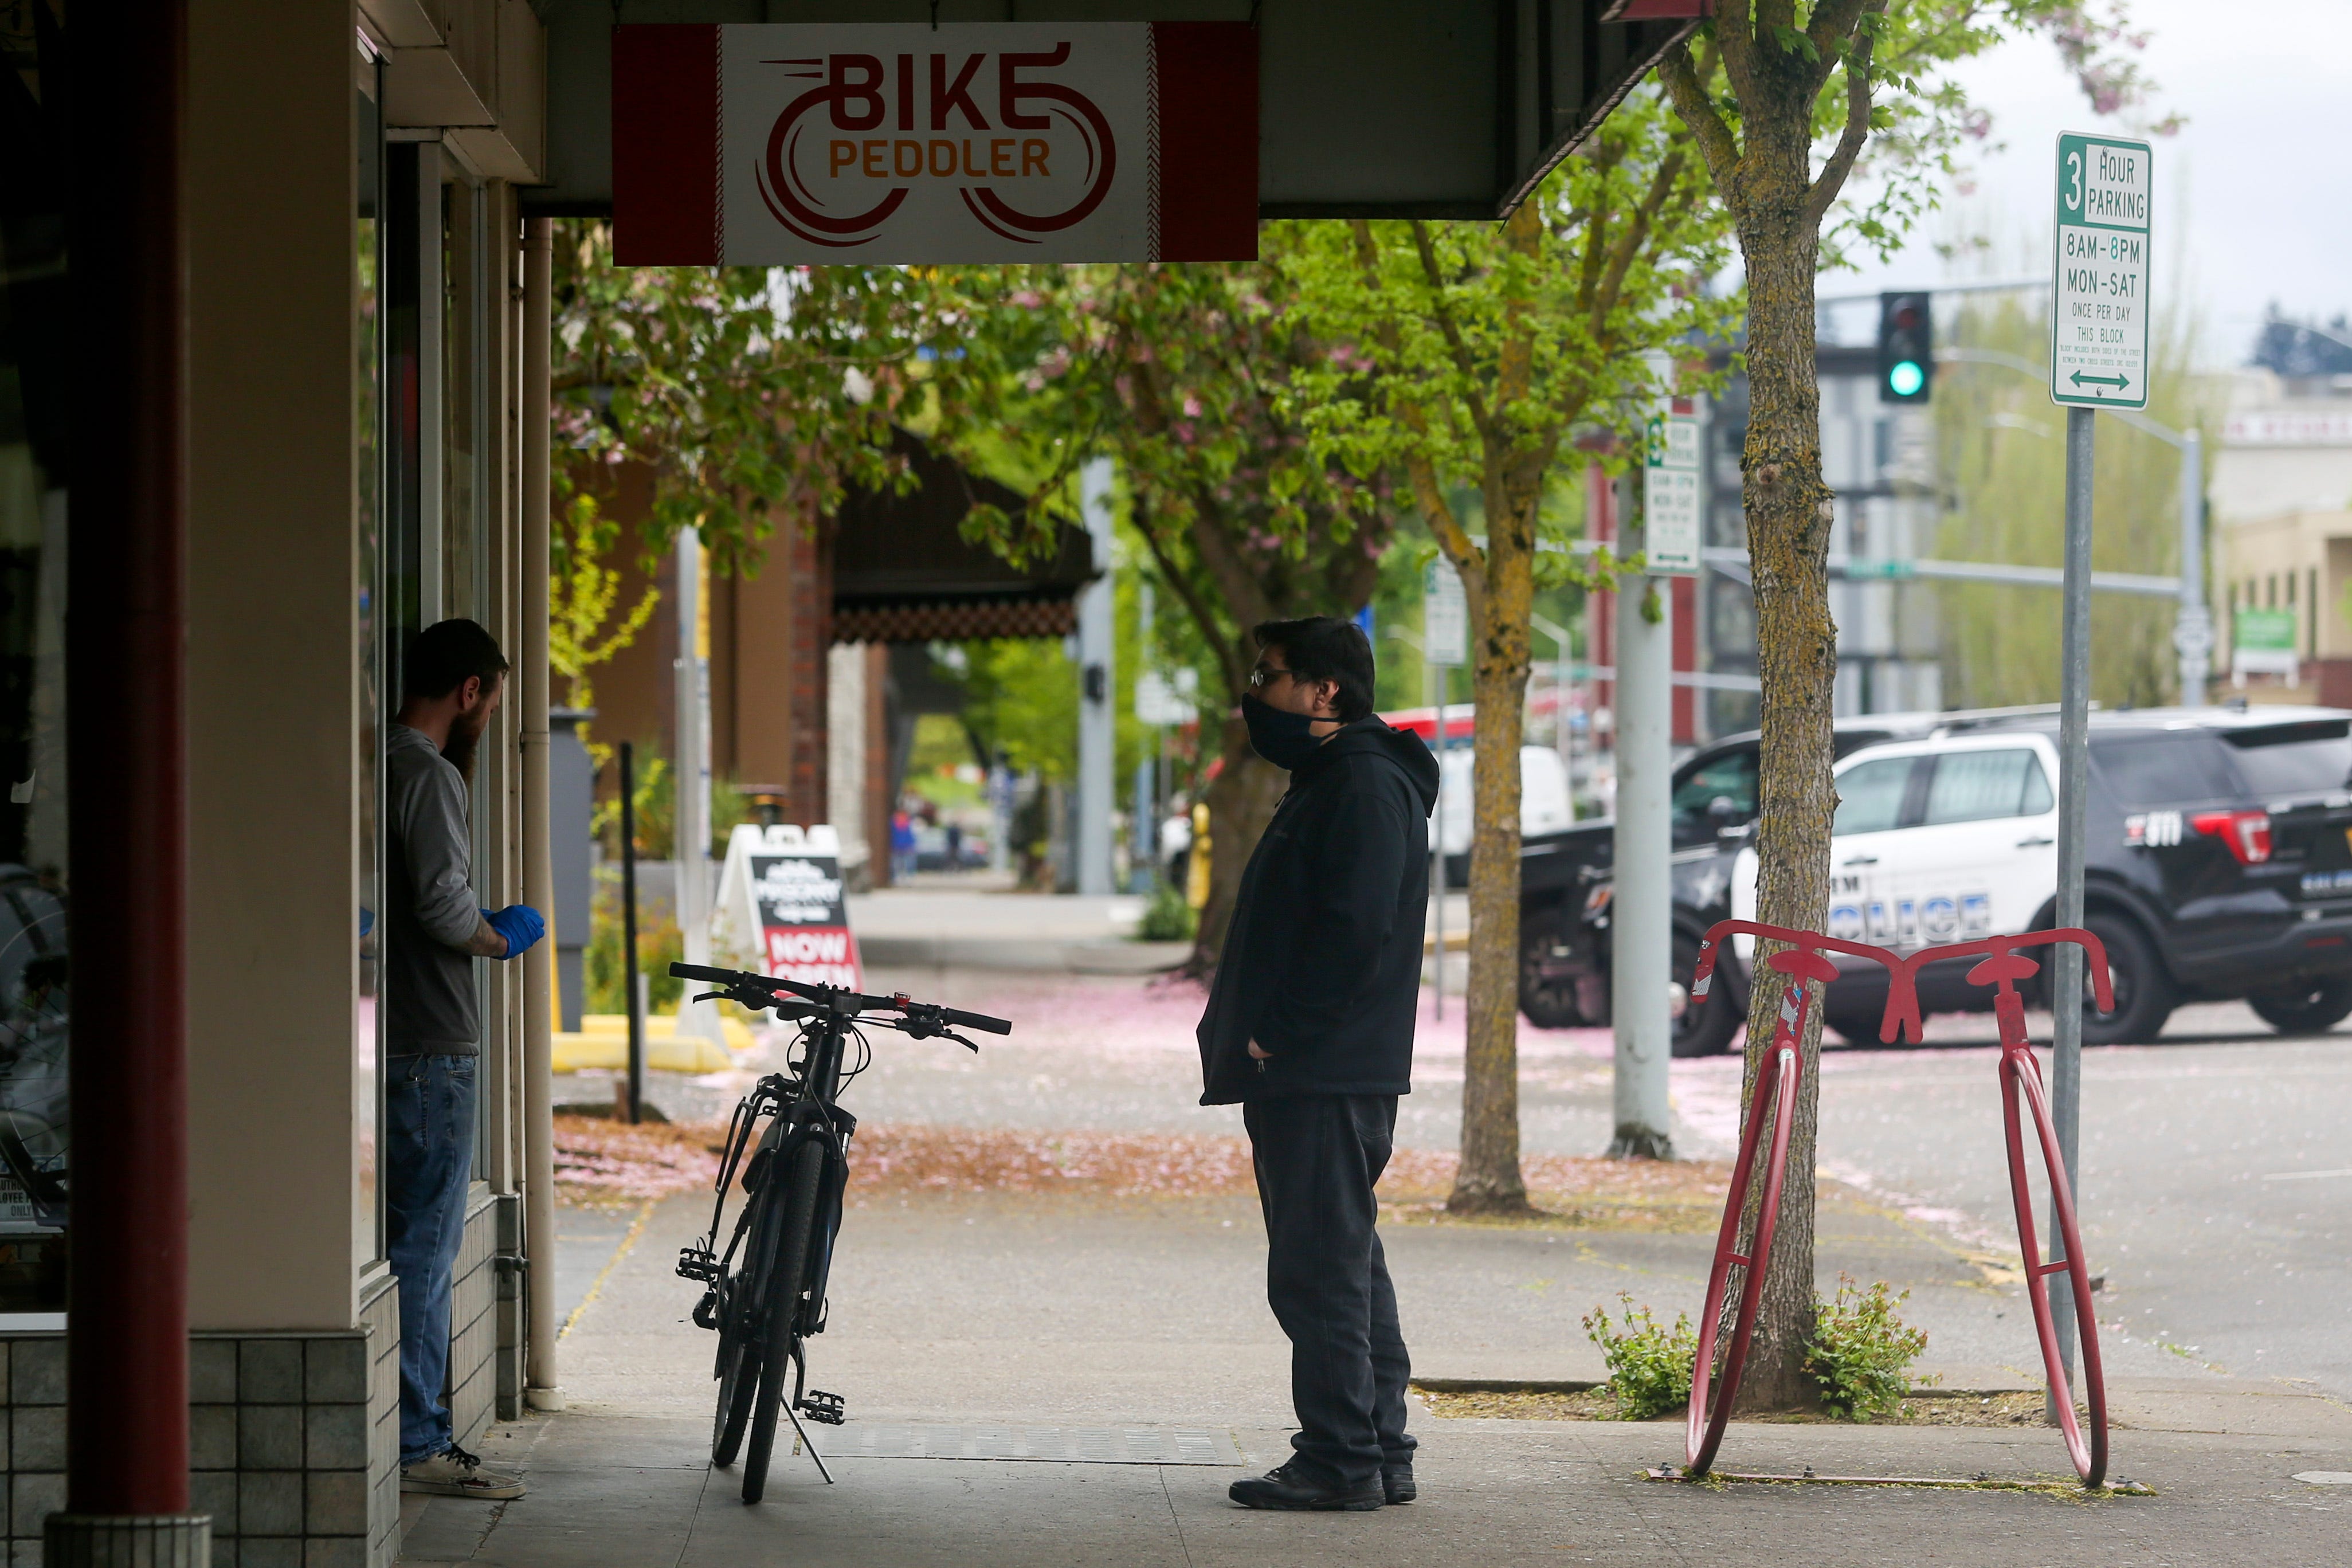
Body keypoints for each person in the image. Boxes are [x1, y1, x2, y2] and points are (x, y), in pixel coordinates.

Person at [1195, 616, 1438, 1511]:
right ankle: (1376, 1448)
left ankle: (1341, 1459)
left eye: (1270, 674)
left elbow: (1354, 932)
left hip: (1324, 1069)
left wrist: (1277, 1033)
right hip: (1323, 1067)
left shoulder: (1364, 788)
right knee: (1345, 1258)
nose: (1254, 692)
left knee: (1318, 1267)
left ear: (1325, 691)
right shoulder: (1337, 779)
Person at [386, 620, 545, 1500]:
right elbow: (446, 910)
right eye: (493, 695)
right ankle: (417, 1438)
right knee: (424, 1246)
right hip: (433, 1051)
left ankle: (406, 1429)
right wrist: (501, 935)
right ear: (472, 692)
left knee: (399, 1241)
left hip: (384, 1038)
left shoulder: (374, 763)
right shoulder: (430, 773)